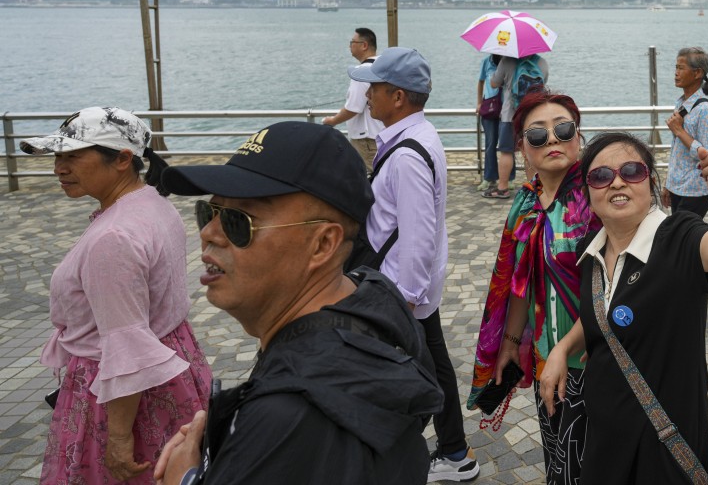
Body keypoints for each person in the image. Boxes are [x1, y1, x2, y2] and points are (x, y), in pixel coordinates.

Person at [154, 121, 444, 484]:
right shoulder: (373, 295)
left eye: (236, 221)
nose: (209, 234)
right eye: (208, 213)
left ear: (322, 245)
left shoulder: (282, 418)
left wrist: (185, 479)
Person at [540, 126, 708, 485]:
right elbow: (599, 314)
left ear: (650, 181)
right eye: (602, 176)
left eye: (631, 172)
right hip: (603, 439)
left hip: (665, 445)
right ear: (588, 190)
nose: (617, 183)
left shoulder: (679, 237)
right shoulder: (590, 251)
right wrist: (563, 347)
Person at [20, 106, 211, 484]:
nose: (58, 167)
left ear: (123, 159)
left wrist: (120, 438)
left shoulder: (113, 238)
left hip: (121, 394)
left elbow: (125, 345)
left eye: (72, 156)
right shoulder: (154, 203)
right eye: (57, 156)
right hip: (173, 364)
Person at [348, 47, 479, 482]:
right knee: (434, 365)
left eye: (375, 87)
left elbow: (419, 232)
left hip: (400, 290)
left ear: (398, 96)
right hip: (411, 288)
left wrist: (406, 298)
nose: (368, 95)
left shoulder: (405, 154)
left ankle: (406, 455)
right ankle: (456, 451)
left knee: (409, 373)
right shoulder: (418, 137)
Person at [468, 91, 599, 485]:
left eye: (562, 129)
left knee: (600, 462)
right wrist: (510, 342)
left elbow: (619, 289)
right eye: (538, 135)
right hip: (549, 357)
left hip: (600, 357)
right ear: (522, 148)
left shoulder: (600, 195)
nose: (553, 140)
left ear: (578, 135)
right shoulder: (524, 203)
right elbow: (519, 281)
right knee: (561, 460)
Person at [662, 46, 708, 217]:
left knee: (680, 237)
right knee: (681, 239)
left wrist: (680, 131)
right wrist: (668, 182)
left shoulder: (705, 109)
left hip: (695, 190)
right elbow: (676, 150)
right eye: (676, 67)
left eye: (681, 68)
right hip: (678, 186)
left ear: (697, 73)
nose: (676, 73)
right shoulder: (681, 104)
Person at [486, 53, 550, 199]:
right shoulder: (541, 62)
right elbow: (543, 83)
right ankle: (534, 188)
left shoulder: (507, 61)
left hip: (510, 115)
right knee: (532, 151)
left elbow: (494, 83)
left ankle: (502, 188)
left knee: (506, 152)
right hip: (533, 114)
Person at [323, 27, 384, 172]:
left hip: (366, 140)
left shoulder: (362, 72)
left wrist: (332, 121)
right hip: (382, 134)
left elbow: (353, 108)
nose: (349, 46)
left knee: (368, 180)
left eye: (352, 42)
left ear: (364, 45)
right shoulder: (381, 65)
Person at [476, 54, 505, 193]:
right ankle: (489, 177)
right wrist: (479, 103)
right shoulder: (486, 62)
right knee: (490, 144)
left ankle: (508, 178)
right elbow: (481, 82)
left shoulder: (509, 62)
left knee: (506, 146)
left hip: (505, 109)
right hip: (489, 107)